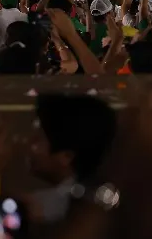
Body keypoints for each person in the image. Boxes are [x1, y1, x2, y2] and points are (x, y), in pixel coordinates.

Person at [27, 93, 117, 223]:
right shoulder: (110, 200)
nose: (28, 145)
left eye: (37, 140)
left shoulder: (40, 207)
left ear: (66, 156)